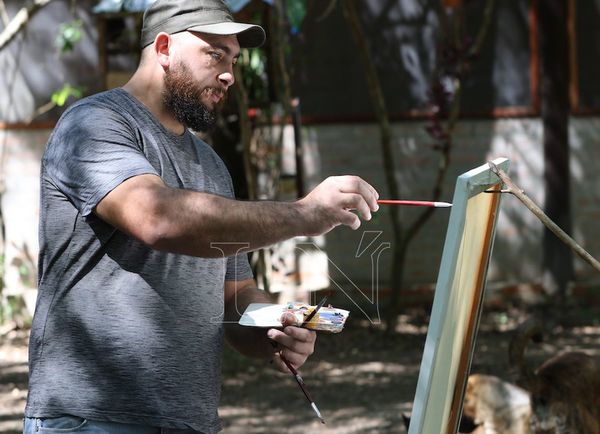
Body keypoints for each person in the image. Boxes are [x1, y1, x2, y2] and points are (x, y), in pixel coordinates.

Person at [23, 1, 379, 433]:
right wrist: (304, 214)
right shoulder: (94, 123)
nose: (229, 73)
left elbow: (233, 298)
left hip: (191, 421)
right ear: (165, 47)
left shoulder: (210, 166)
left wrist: (274, 328)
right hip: (92, 419)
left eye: (233, 59)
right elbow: (157, 218)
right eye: (215, 55)